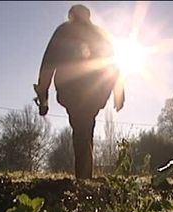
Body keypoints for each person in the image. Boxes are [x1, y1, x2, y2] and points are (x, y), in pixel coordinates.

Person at [34, 4, 125, 179]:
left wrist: (43, 94)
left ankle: (83, 178)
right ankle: (84, 177)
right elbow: (114, 63)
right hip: (96, 91)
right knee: (85, 125)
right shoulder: (100, 33)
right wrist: (118, 91)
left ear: (71, 15)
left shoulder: (64, 31)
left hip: (72, 90)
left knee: (81, 127)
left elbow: (48, 63)